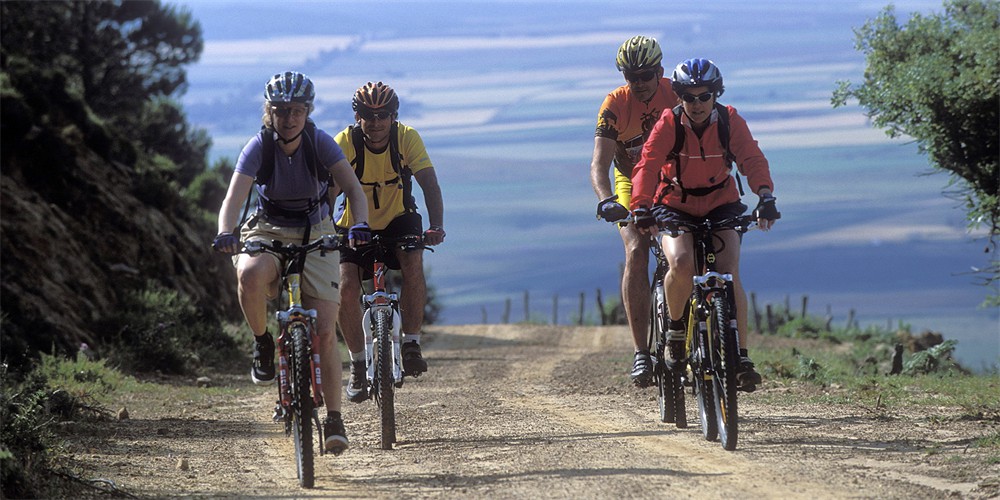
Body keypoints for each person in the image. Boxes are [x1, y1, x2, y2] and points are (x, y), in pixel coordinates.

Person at [212, 71, 372, 454]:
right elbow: (234, 198)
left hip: (317, 231)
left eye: (297, 110)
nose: (289, 118)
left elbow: (352, 188)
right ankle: (263, 342)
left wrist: (360, 223)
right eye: (281, 111)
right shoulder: (259, 146)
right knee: (249, 275)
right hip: (267, 229)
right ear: (270, 112)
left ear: (307, 112)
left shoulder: (319, 144)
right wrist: (226, 230)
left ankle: (334, 419)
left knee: (324, 332)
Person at [630, 58, 780, 392]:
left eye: (704, 96)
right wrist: (641, 207)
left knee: (728, 271)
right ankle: (677, 330)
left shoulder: (730, 120)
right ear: (680, 97)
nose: (697, 104)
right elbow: (647, 164)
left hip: (720, 202)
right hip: (675, 205)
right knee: (681, 263)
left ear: (715, 94)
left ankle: (740, 357)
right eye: (690, 97)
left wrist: (766, 195)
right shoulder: (670, 122)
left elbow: (751, 158)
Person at [334, 81, 445, 403]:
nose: (377, 122)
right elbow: (327, 191)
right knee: (346, 288)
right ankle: (356, 363)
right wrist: (323, 229)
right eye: (369, 115)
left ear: (394, 116)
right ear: (358, 116)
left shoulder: (406, 137)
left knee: (413, 264)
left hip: (400, 217)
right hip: (354, 224)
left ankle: (410, 343)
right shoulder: (345, 142)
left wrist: (436, 225)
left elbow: (429, 183)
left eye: (384, 115)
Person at [590, 35, 678, 387]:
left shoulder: (677, 93)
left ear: (659, 71)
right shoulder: (615, 103)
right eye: (631, 76)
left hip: (672, 180)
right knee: (637, 250)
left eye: (645, 75)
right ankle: (642, 351)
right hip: (629, 183)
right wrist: (606, 199)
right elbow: (600, 164)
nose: (638, 83)